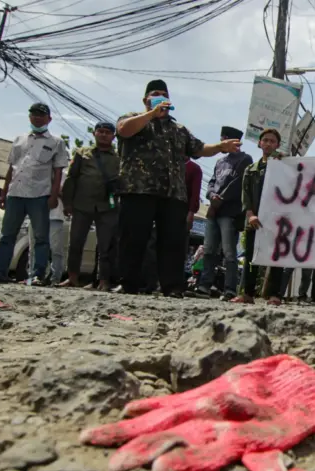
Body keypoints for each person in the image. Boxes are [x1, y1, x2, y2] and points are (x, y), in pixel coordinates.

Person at [115, 79, 240, 298]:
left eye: (164, 94)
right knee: (133, 238)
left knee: (172, 242)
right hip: (138, 189)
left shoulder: (179, 129)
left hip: (172, 193)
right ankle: (128, 284)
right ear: (146, 99)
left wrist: (221, 146)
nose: (161, 97)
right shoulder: (133, 118)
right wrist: (151, 114)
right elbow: (124, 131)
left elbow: (199, 148)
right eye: (155, 94)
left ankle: (172, 287)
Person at [0, 103, 68, 284]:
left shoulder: (56, 142)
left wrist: (54, 196)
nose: (37, 118)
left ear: (49, 118)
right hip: (15, 193)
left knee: (41, 237)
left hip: (39, 195)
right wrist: (3, 192)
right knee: (7, 235)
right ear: (29, 116)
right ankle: (0, 273)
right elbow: (11, 168)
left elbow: (58, 172)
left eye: (41, 115)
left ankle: (38, 274)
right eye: (34, 114)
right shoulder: (19, 139)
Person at [60, 121, 120, 290]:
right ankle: (72, 277)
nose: (103, 134)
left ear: (113, 137)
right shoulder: (82, 153)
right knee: (76, 243)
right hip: (82, 204)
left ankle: (103, 281)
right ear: (94, 133)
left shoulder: (118, 158)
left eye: (107, 132)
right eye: (100, 131)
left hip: (107, 207)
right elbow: (71, 179)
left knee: (105, 247)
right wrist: (67, 203)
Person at [196, 126, 252, 300]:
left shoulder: (245, 159)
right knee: (209, 250)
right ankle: (204, 285)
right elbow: (212, 182)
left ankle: (229, 289)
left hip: (230, 212)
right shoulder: (220, 162)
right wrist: (212, 195)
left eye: (224, 139)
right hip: (214, 212)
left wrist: (221, 198)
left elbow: (237, 184)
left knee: (229, 253)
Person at [232, 128, 282, 305]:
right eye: (265, 140)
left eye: (272, 141)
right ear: (260, 143)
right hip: (255, 220)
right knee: (251, 257)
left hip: (276, 220)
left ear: (278, 145)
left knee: (276, 257)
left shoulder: (282, 165)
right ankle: (247, 293)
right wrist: (250, 215)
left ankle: (274, 294)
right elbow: (245, 194)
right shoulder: (250, 169)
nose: (268, 143)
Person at [27, 173, 65, 285]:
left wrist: (52, 183)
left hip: (55, 215)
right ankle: (33, 276)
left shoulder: (63, 175)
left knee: (55, 248)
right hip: (36, 214)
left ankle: (55, 278)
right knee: (34, 247)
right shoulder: (38, 171)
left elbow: (62, 192)